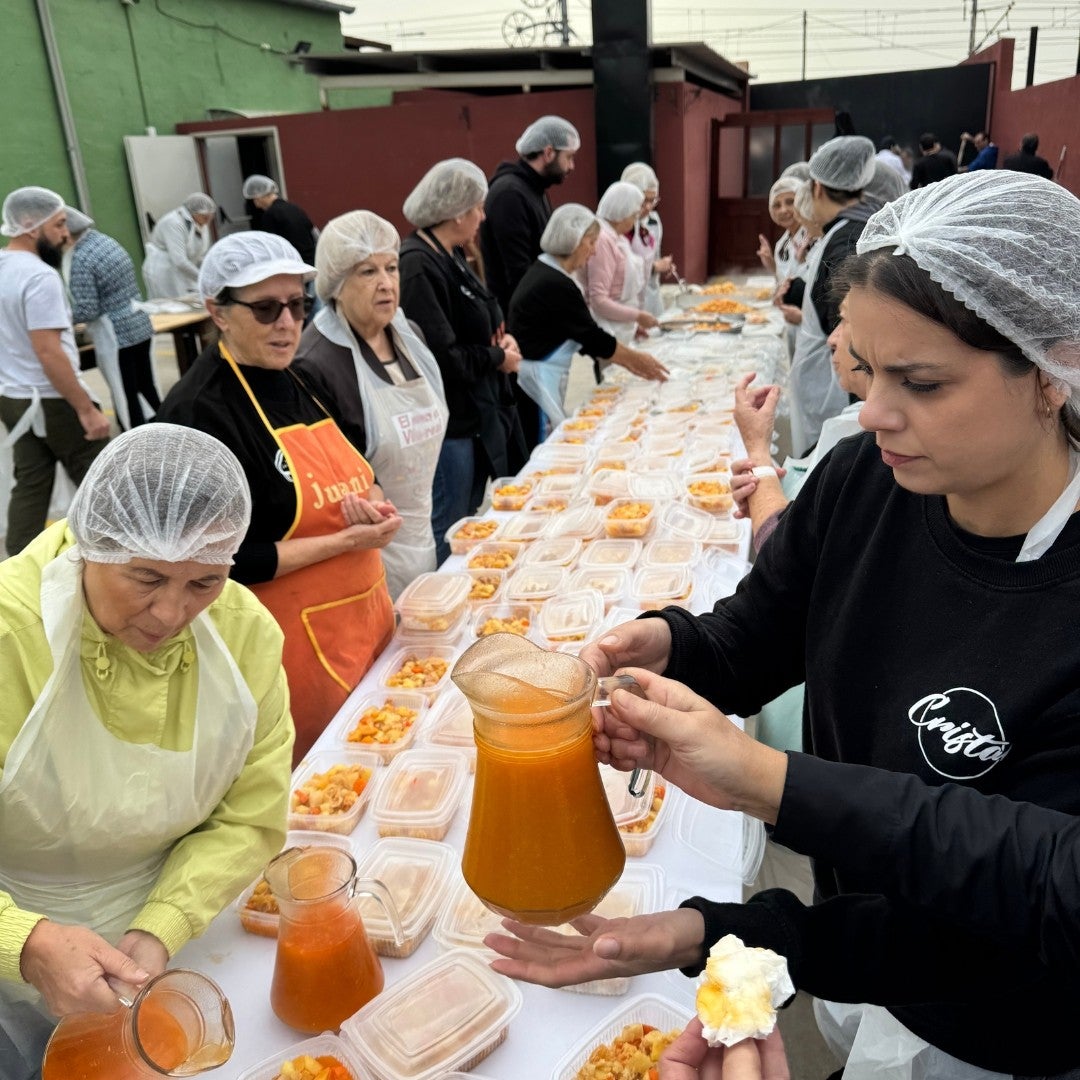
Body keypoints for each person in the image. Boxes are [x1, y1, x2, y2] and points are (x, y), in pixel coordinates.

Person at [523, 171, 1080, 1079]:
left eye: (923, 382)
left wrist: (769, 790)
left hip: (1013, 1021)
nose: (872, 413)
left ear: (1056, 368)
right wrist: (677, 645)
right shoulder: (868, 480)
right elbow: (763, 629)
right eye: (865, 368)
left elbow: (1028, 887)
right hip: (857, 944)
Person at [0, 424, 293, 1080]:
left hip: (188, 931)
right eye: (147, 577)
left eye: (204, 583)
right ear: (90, 541)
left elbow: (251, 813)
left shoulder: (244, 636)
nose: (169, 613)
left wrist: (160, 926)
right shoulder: (10, 637)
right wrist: (23, 943)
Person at [155, 233, 398, 762]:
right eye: (265, 309)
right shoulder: (200, 413)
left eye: (297, 305)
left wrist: (373, 504)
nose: (287, 323)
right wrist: (345, 541)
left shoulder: (302, 378)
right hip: (292, 653)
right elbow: (224, 561)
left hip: (367, 623)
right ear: (217, 311)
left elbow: (364, 467)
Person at [294, 210, 448, 598]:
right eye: (367, 272)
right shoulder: (316, 361)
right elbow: (333, 472)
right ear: (336, 284)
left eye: (391, 268)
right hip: (367, 545)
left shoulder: (408, 334)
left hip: (420, 523)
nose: (385, 284)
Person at [398, 158, 526, 563]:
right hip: (452, 423)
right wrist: (497, 358)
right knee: (448, 526)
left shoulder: (449, 253)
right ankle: (436, 603)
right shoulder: (418, 264)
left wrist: (500, 339)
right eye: (477, 208)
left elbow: (476, 315)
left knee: (467, 516)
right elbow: (443, 357)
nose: (483, 216)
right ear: (455, 213)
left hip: (476, 412)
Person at [0, 187, 110, 557]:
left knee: (31, 484)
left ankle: (16, 567)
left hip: (13, 397)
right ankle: (129, 555)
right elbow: (48, 352)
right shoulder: (39, 277)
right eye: (60, 224)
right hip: (52, 399)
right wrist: (85, 408)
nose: (66, 234)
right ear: (31, 226)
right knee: (105, 482)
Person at [508, 204, 669, 431]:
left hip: (544, 372)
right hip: (534, 379)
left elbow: (580, 333)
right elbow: (592, 338)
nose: (593, 251)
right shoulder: (554, 283)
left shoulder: (548, 272)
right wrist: (638, 361)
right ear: (573, 240)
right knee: (538, 441)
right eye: (591, 243)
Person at [479, 115, 580, 448]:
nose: (572, 166)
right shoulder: (509, 194)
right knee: (531, 425)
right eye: (568, 157)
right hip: (522, 331)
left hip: (541, 329)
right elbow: (519, 273)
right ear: (548, 152)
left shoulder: (536, 191)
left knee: (546, 422)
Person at [786, 135, 876, 456]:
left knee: (825, 460)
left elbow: (846, 325)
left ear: (818, 188)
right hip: (828, 383)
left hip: (831, 389)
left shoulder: (844, 240)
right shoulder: (854, 227)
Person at [62, 207, 160, 430]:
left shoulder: (81, 259)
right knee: (146, 386)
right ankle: (163, 429)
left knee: (126, 394)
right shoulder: (105, 241)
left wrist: (60, 319)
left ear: (66, 233)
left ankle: (135, 440)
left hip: (117, 334)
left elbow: (88, 310)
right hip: (139, 324)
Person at [582, 181, 660, 347]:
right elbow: (599, 300)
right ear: (622, 214)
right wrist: (637, 316)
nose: (634, 222)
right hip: (608, 327)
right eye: (633, 216)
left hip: (621, 325)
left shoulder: (617, 237)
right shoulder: (602, 240)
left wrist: (633, 323)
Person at [621, 162, 673, 318]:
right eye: (645, 201)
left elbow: (654, 255)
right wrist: (654, 267)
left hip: (652, 296)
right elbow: (620, 267)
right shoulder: (620, 225)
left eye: (653, 200)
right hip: (627, 301)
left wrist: (663, 265)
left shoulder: (654, 220)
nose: (649, 207)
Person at [141, 193, 216, 299]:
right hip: (164, 271)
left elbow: (198, 255)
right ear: (194, 213)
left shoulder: (200, 224)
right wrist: (203, 278)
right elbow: (180, 261)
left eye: (210, 217)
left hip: (182, 271)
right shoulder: (174, 223)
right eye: (205, 217)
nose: (208, 221)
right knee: (169, 307)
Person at [242, 175, 318, 266]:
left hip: (294, 266)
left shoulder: (270, 215)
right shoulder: (294, 208)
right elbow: (314, 233)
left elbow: (270, 247)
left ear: (259, 196)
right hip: (311, 262)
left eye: (254, 199)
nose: (255, 204)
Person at [756, 177, 808, 311]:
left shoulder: (813, 237)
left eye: (790, 202)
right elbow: (784, 283)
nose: (783, 210)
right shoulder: (781, 244)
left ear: (803, 201)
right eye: (776, 205)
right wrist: (772, 266)